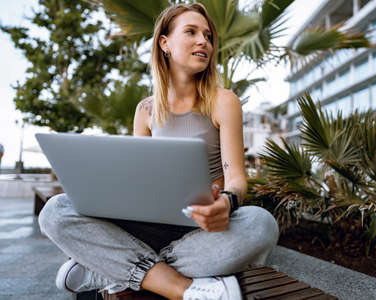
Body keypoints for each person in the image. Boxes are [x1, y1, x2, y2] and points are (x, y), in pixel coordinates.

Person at [38, 4, 279, 300]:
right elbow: (136, 179)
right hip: (148, 226)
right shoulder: (146, 110)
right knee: (55, 211)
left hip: (201, 230)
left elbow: (237, 179)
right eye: (191, 32)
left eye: (207, 35)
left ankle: (108, 270)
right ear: (164, 43)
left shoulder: (223, 101)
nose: (204, 41)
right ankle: (179, 287)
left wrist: (227, 203)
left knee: (261, 225)